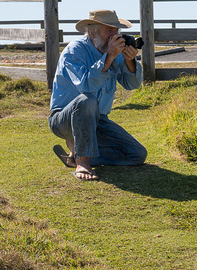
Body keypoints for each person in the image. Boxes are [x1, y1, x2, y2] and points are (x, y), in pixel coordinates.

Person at [49, 10, 147, 181]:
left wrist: (130, 60)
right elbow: (87, 86)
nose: (114, 35)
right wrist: (109, 56)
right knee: (87, 100)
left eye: (116, 30)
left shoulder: (114, 53)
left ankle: (76, 151)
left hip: (97, 120)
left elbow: (132, 84)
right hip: (64, 119)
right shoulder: (74, 51)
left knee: (137, 154)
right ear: (92, 32)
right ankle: (83, 162)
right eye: (109, 30)